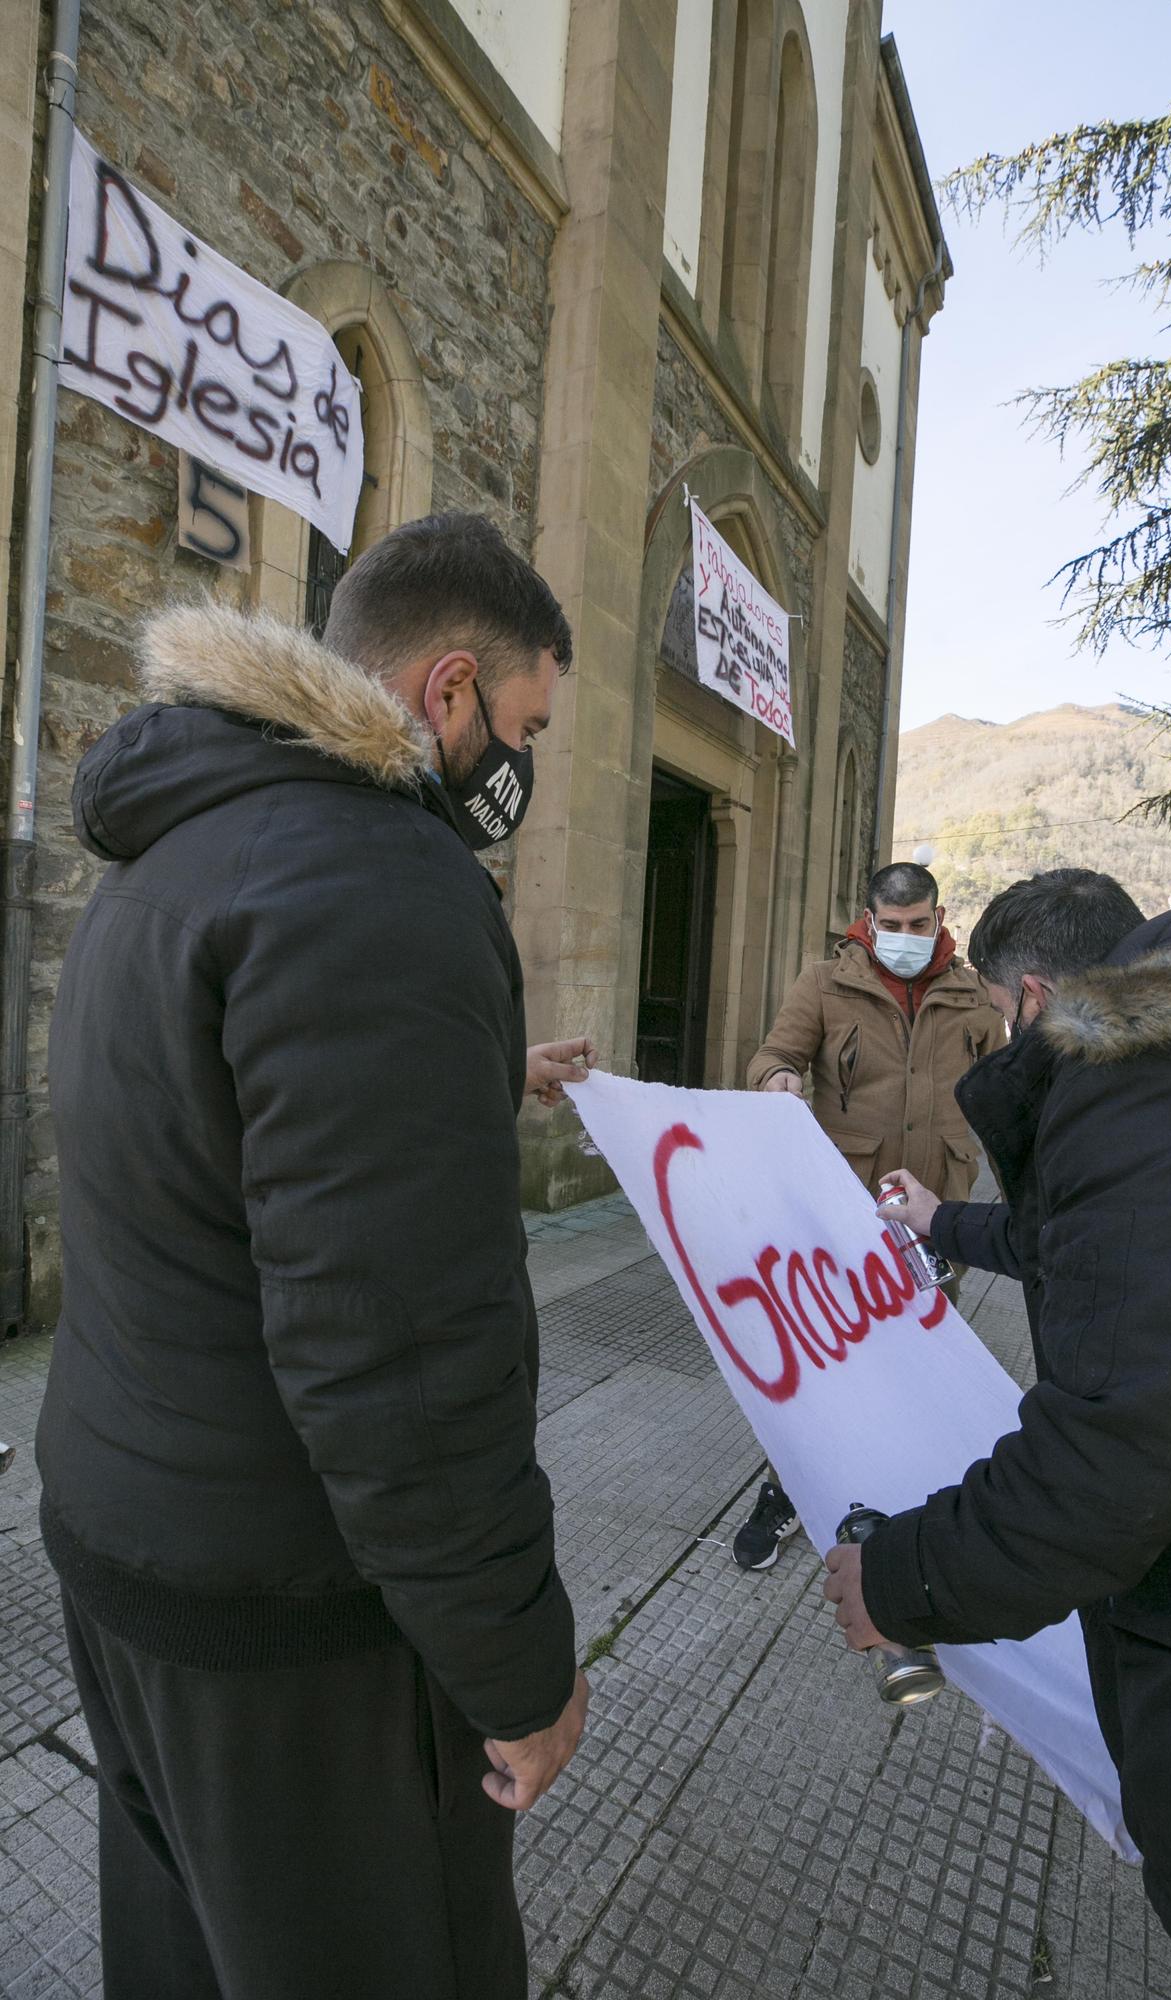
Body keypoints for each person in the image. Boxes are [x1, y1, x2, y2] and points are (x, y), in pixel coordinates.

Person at [37, 513, 589, 2000]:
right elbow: (399, 1357)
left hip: (130, 1548)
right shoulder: (380, 884)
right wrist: (520, 1668)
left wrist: (473, 1071)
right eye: (527, 727)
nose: (520, 772)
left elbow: (230, 1139)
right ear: (453, 688)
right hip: (295, 1628)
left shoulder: (192, 838)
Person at [824, 869, 1171, 2000]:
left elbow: (1116, 1453)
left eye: (1012, 1017)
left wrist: (903, 1576)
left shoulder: (1156, 1081)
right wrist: (941, 1220)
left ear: (1042, 994)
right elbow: (1108, 1241)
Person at [733, 861, 1005, 1569]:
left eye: (919, 925)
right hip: (842, 1209)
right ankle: (784, 1490)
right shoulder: (825, 983)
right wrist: (779, 1079)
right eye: (892, 926)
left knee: (917, 1356)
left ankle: (892, 1494)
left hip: (936, 1213)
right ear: (869, 921)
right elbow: (772, 1054)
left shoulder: (974, 997)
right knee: (818, 1357)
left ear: (940, 919)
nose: (906, 938)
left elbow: (1007, 1098)